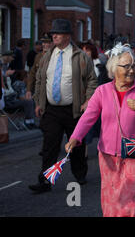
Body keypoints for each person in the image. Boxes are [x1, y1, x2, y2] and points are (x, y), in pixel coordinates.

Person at [65, 43, 135, 217]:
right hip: (108, 154)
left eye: (133, 66)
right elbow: (88, 117)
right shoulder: (102, 91)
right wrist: (75, 137)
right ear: (113, 68)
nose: (131, 70)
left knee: (131, 199)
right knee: (110, 197)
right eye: (126, 66)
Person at [28, 19, 98, 194]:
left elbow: (91, 80)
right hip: (51, 109)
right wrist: (38, 102)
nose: (54, 36)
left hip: (73, 109)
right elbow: (39, 80)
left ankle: (80, 174)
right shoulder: (47, 56)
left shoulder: (79, 56)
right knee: (49, 146)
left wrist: (88, 100)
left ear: (67, 36)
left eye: (57, 33)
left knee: (76, 145)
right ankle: (45, 180)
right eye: (53, 33)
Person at [26, 33, 53, 100]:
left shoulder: (56, 56)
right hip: (39, 90)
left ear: (52, 43)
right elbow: (32, 73)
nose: (44, 45)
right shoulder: (38, 56)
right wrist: (29, 90)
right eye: (43, 42)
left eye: (47, 42)